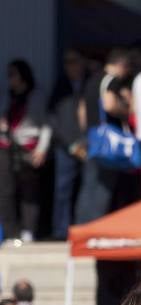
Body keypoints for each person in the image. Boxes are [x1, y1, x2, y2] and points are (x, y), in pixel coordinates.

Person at [74, 49, 133, 224]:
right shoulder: (111, 81)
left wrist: (88, 132)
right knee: (103, 185)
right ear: (121, 65)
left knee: (89, 184)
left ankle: (81, 225)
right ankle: (95, 225)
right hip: (108, 139)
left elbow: (82, 111)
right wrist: (126, 111)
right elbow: (109, 105)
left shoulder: (92, 80)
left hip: (93, 137)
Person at [1, 59, 51, 244]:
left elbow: (47, 124)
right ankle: (10, 232)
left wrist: (42, 149)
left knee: (29, 191)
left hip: (29, 147)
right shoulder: (7, 95)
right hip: (7, 147)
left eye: (13, 74)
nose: (10, 79)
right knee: (6, 191)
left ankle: (28, 230)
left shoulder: (37, 96)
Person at [46, 50, 87, 239]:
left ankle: (82, 227)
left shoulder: (88, 84)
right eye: (67, 63)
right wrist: (70, 144)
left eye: (74, 62)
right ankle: (61, 230)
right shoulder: (60, 87)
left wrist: (84, 142)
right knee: (62, 190)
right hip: (65, 146)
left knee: (87, 189)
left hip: (87, 144)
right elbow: (53, 119)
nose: (71, 66)